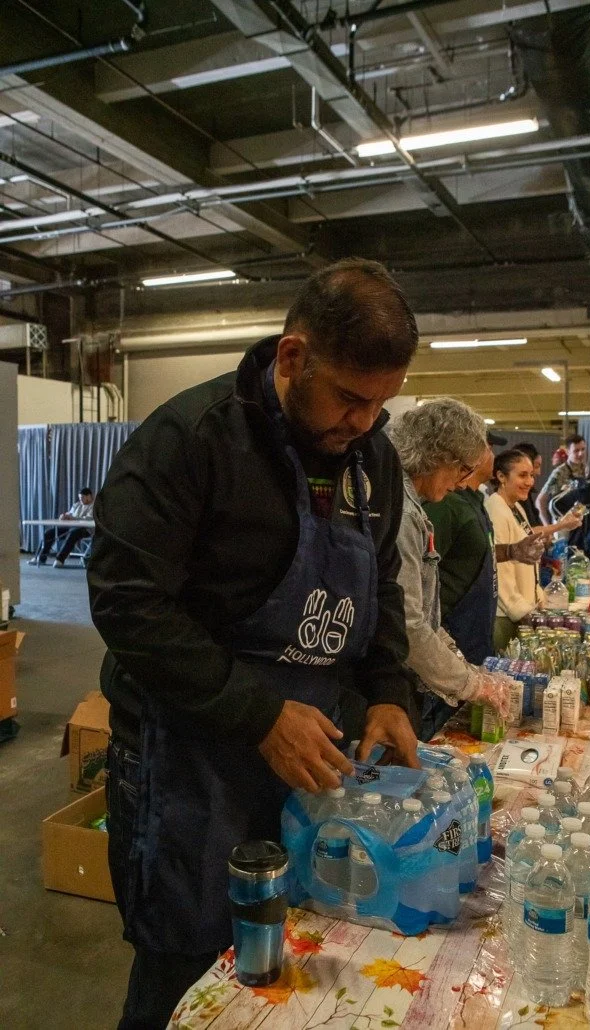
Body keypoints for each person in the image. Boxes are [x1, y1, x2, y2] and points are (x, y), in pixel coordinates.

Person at [87, 258, 423, 1030]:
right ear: (293, 357)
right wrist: (256, 713)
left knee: (290, 966)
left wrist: (386, 691)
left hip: (309, 757)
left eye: (381, 404)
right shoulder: (189, 440)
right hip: (190, 766)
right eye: (348, 398)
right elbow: (127, 601)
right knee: (189, 971)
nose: (364, 423)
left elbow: (383, 586)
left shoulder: (370, 459)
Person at [387, 400, 516, 741]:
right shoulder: (401, 511)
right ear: (440, 457)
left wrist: (466, 667)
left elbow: (425, 616)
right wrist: (472, 684)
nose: (461, 483)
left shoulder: (415, 506)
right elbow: (409, 623)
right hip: (385, 683)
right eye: (462, 469)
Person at [424, 438, 544, 667]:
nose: (493, 455)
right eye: (489, 449)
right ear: (472, 455)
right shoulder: (446, 504)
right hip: (453, 634)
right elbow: (422, 570)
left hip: (476, 633)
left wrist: (512, 551)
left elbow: (474, 552)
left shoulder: (475, 502)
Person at [486, 450, 545, 651]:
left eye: (531, 475)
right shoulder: (496, 509)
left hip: (523, 610)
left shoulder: (516, 507)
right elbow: (498, 569)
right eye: (522, 475)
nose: (529, 482)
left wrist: (538, 597)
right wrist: (520, 611)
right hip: (506, 615)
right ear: (501, 476)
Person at [28, 487, 94, 568]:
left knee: (72, 534)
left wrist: (73, 518)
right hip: (70, 527)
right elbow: (70, 513)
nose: (81, 500)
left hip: (86, 529)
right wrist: (65, 516)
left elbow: (89, 518)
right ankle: (40, 558)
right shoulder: (77, 505)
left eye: (82, 498)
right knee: (49, 533)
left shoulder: (94, 506)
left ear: (89, 496)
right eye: (80, 498)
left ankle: (60, 559)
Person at [536, 434, 588, 526]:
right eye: (576, 451)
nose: (580, 453)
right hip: (563, 522)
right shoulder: (560, 473)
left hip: (583, 522)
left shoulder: (587, 470)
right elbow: (540, 500)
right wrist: (547, 526)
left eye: (583, 449)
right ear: (568, 451)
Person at [513, 441, 543, 527]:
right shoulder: (502, 502)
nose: (539, 472)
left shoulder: (526, 494)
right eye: (523, 475)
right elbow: (528, 532)